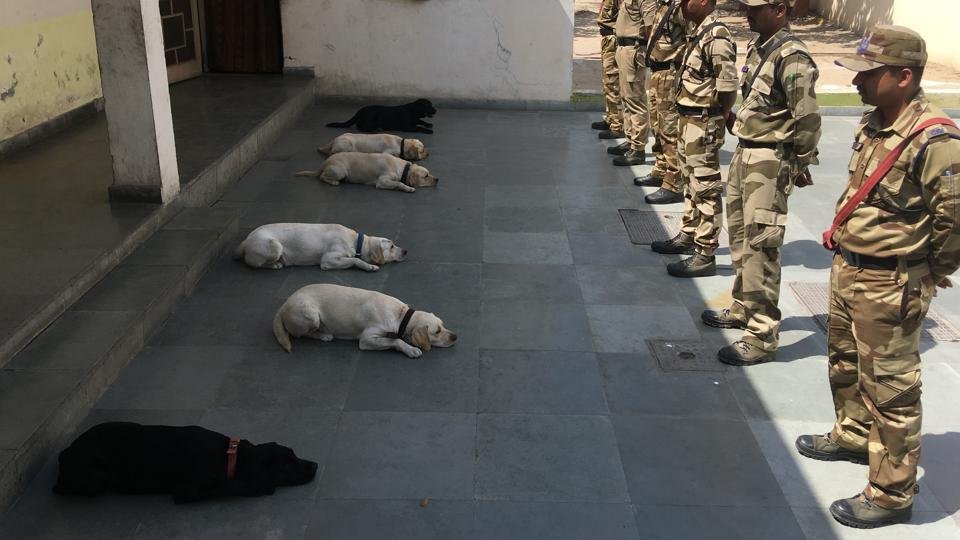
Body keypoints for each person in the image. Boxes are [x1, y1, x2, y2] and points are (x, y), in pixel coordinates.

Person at [797, 25, 960, 529]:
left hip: (891, 282)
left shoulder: (937, 139)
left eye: (870, 73)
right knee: (845, 363)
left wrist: (925, 272)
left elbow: (954, 220)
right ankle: (850, 435)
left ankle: (892, 492)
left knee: (890, 388)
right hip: (851, 269)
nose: (858, 82)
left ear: (904, 76)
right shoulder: (874, 123)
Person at [702, 0, 820, 365]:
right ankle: (742, 304)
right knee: (739, 235)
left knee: (761, 245)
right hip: (747, 152)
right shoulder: (761, 47)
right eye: (744, 6)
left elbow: (807, 119)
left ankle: (762, 333)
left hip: (770, 160)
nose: (747, 13)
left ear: (780, 10)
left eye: (756, 7)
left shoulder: (793, 56)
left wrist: (796, 164)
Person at [650, 0, 736, 279]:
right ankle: (689, 233)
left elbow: (728, 85)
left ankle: (705, 252)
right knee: (691, 182)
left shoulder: (717, 34)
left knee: (706, 187)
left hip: (704, 120)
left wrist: (719, 115)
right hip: (688, 118)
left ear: (704, 2)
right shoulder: (697, 30)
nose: (683, 5)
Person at [635, 0, 688, 205]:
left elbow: (691, 39)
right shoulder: (663, 4)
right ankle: (660, 169)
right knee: (657, 124)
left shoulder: (680, 8)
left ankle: (674, 183)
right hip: (658, 72)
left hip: (670, 72)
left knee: (669, 128)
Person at [607, 0, 657, 166]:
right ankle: (630, 140)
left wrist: (649, 54)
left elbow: (651, 28)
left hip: (634, 50)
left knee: (635, 100)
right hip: (623, 48)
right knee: (626, 98)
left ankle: (638, 148)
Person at [594, 0, 626, 140]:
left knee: (612, 82)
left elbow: (624, 14)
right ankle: (611, 118)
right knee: (607, 82)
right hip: (608, 40)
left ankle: (617, 126)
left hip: (613, 40)